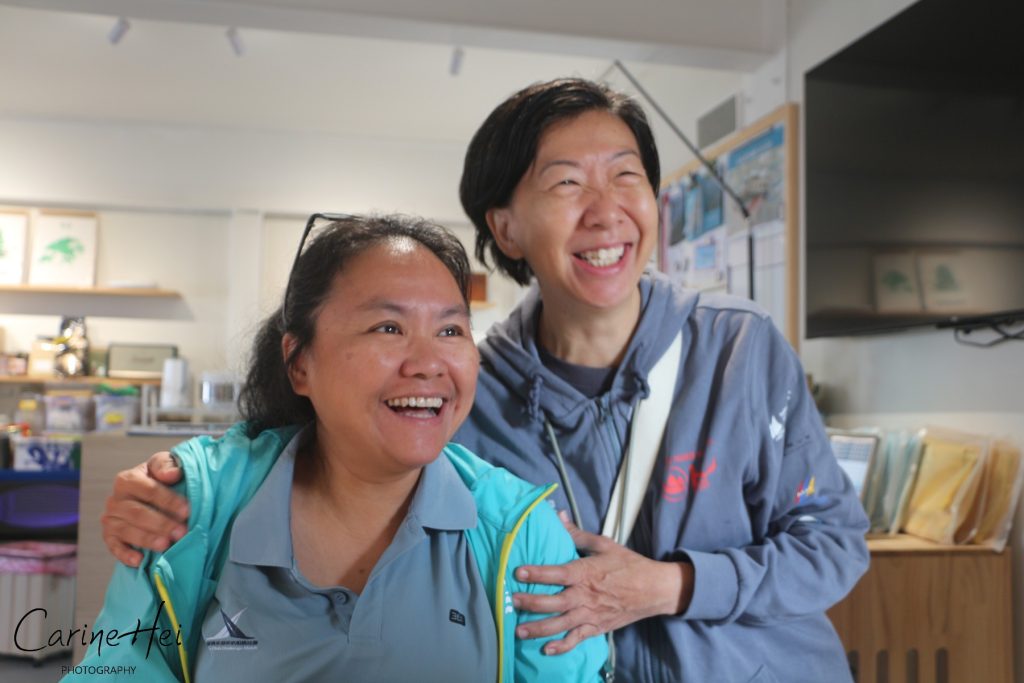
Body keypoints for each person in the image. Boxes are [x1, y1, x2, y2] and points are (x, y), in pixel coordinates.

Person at [102, 79, 870, 682]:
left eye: (626, 177)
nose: (607, 212)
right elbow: (328, 439)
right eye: (567, 183)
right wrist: (179, 485)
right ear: (505, 226)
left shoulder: (739, 351)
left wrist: (669, 586)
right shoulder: (464, 391)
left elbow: (835, 543)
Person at [68, 215, 607, 683]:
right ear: (300, 363)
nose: (428, 363)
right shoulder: (193, 511)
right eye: (388, 327)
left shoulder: (521, 534)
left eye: (450, 330)